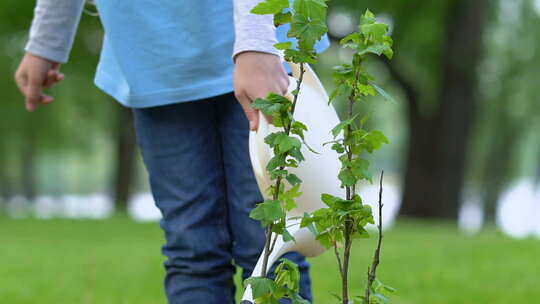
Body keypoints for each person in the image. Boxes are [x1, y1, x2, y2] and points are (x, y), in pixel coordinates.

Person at [14, 1, 328, 303]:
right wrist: (47, 40)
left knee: (266, 243)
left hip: (256, 49)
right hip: (152, 49)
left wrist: (258, 42)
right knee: (192, 248)